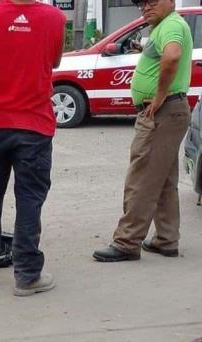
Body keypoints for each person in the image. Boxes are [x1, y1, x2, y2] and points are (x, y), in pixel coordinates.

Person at [0, 0, 65, 296]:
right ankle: (27, 274)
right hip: (34, 124)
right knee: (29, 198)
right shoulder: (54, 17)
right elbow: (55, 62)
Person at [93, 0, 192, 262]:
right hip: (170, 111)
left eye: (152, 1)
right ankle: (166, 239)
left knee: (142, 179)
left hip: (162, 112)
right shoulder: (164, 25)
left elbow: (172, 56)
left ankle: (127, 242)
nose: (145, 7)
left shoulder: (170, 25)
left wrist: (159, 96)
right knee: (163, 180)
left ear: (170, 1)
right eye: (141, 3)